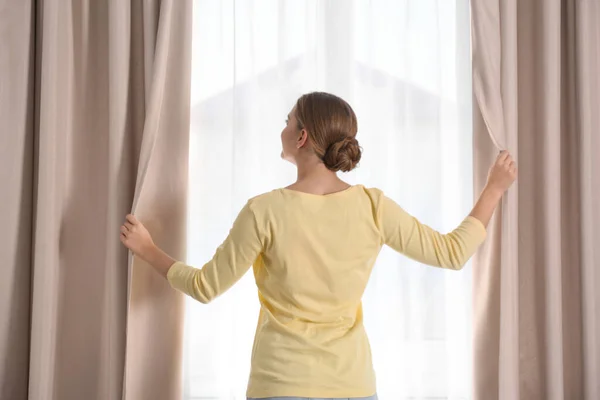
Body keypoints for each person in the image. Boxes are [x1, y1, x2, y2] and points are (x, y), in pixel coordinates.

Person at [120, 92, 517, 400]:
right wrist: (494, 189)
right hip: (352, 386)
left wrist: (148, 248)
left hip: (281, 384)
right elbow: (453, 252)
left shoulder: (265, 211)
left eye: (287, 120)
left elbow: (206, 286)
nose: (283, 128)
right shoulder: (372, 207)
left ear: (302, 135)